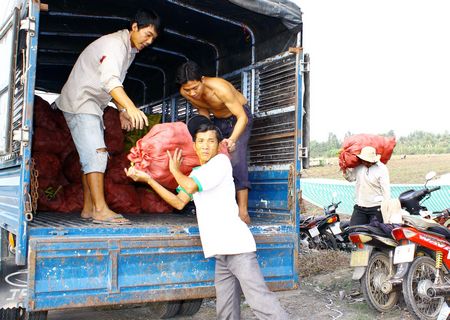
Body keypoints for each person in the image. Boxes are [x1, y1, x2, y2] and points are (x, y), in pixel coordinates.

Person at [125, 116, 288, 320]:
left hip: (237, 248)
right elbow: (178, 201)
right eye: (200, 141)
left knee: (261, 303)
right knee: (226, 311)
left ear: (219, 145)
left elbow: (190, 187)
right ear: (193, 145)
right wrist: (148, 179)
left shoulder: (220, 163)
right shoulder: (198, 172)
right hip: (221, 252)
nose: (205, 146)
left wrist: (174, 170)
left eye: (211, 141)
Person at [54, 10, 161, 224]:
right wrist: (130, 107)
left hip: (92, 103)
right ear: (134, 27)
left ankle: (89, 208)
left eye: (153, 38)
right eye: (147, 34)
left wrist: (121, 110)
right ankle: (101, 210)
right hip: (81, 101)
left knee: (90, 155)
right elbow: (110, 80)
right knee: (97, 154)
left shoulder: (129, 50)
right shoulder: (115, 46)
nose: (149, 41)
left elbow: (110, 83)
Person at [175, 61, 252, 225]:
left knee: (236, 159)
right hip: (217, 120)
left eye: (195, 87)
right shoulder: (186, 92)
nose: (192, 93)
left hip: (238, 118)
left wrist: (232, 140)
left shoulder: (220, 88)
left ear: (202, 80)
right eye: (188, 90)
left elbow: (242, 118)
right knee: (211, 158)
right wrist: (206, 132)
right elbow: (202, 110)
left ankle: (243, 211)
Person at [344, 146, 391, 226]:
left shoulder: (381, 169)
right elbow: (351, 178)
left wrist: (387, 209)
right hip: (360, 206)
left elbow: (385, 190)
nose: (367, 163)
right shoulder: (358, 167)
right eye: (365, 161)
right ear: (362, 159)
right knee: (354, 231)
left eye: (369, 161)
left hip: (376, 207)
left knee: (375, 234)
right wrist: (345, 170)